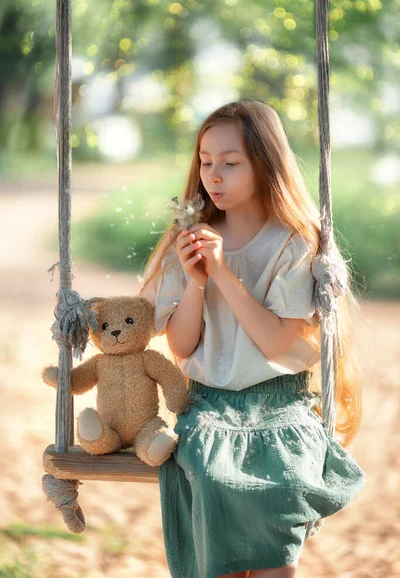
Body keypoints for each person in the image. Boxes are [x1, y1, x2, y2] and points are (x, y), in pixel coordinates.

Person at [139, 100, 366, 578]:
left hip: (281, 404)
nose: (213, 176)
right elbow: (181, 348)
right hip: (209, 404)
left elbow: (278, 345)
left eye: (230, 162)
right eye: (205, 161)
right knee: (211, 476)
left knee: (278, 501)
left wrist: (222, 271)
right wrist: (198, 279)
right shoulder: (190, 238)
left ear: (264, 164)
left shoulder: (294, 242)